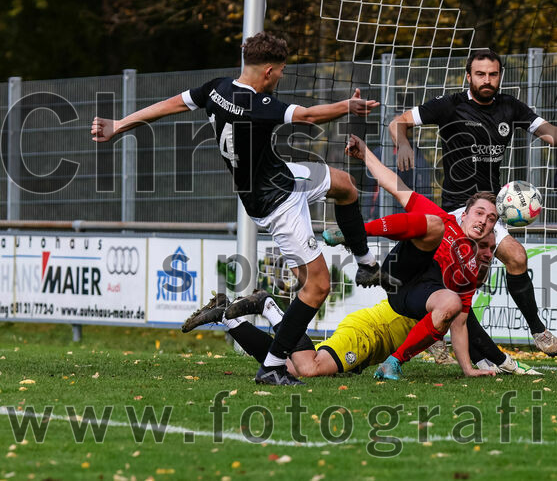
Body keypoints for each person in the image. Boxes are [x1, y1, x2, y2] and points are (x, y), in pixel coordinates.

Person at [91, 31, 380, 386]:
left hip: (279, 177)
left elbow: (170, 105)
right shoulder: (259, 105)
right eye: (281, 71)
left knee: (344, 185)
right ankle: (272, 366)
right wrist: (347, 106)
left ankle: (366, 264)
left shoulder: (217, 89)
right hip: (278, 203)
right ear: (269, 71)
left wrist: (119, 125)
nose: (281, 77)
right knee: (317, 287)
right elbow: (307, 116)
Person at [387, 50, 557, 356]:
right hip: (457, 210)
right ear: (468, 76)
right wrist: (404, 143)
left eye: (493, 74)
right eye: (480, 74)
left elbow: (552, 136)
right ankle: (443, 337)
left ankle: (536, 333)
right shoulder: (450, 105)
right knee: (468, 277)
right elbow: (398, 122)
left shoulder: (510, 107)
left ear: (500, 76)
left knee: (511, 261)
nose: (487, 80)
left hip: (489, 208)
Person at [181, 231, 539, 377]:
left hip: (373, 340)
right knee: (307, 368)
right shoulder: (443, 282)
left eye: (491, 250)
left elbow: (461, 327)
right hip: (371, 332)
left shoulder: (459, 290)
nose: (488, 256)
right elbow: (458, 323)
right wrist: (490, 362)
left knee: (287, 368)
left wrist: (472, 366)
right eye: (483, 249)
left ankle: (227, 317)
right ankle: (268, 306)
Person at [332, 134, 499, 380]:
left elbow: (460, 323)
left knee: (453, 304)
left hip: (414, 297)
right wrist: (365, 153)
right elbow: (396, 186)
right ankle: (357, 232)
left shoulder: (471, 269)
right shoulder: (446, 220)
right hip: (399, 273)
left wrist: (468, 369)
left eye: (491, 219)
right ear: (464, 215)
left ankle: (393, 363)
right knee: (434, 224)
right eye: (479, 213)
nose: (484, 220)